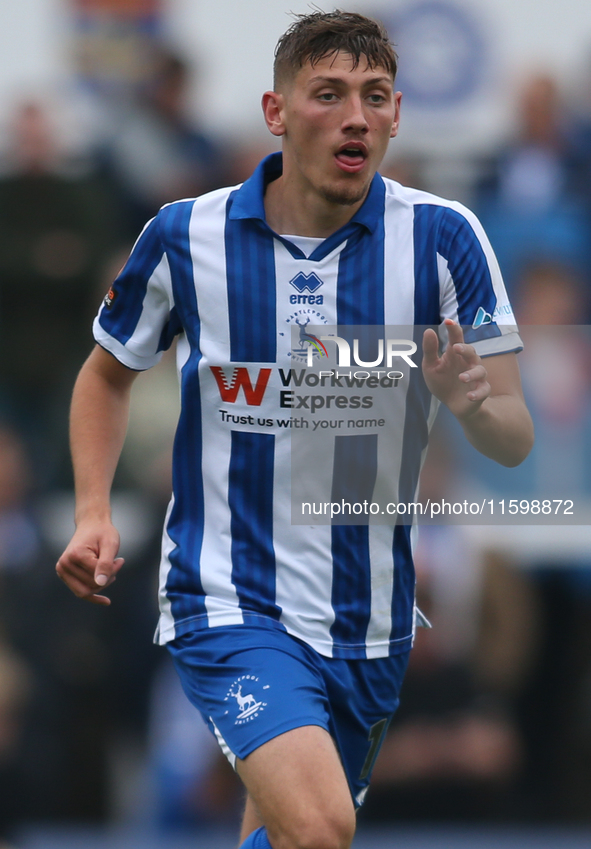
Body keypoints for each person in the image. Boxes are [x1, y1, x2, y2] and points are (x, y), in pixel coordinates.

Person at [56, 11, 534, 849]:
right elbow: (105, 374)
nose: (356, 114)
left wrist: (468, 405)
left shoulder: (443, 239)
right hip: (229, 596)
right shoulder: (184, 234)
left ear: (394, 117)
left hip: (371, 617)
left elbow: (514, 434)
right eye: (329, 93)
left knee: (289, 838)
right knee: (320, 828)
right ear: (277, 113)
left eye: (375, 96)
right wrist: (93, 510)